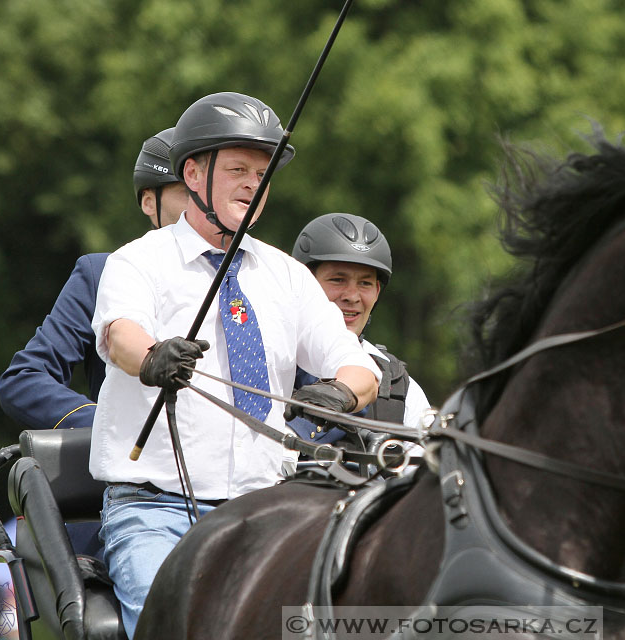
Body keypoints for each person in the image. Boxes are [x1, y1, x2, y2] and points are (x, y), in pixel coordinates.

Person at [89, 91, 380, 638]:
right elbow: (121, 335)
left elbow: (357, 364)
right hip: (157, 511)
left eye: (264, 174)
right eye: (239, 170)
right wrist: (154, 358)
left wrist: (342, 393)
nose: (254, 184)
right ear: (193, 174)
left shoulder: (288, 276)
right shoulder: (137, 261)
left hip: (267, 508)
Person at [0, 128, 186, 431]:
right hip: (139, 468)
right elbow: (26, 379)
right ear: (150, 203)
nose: (204, 207)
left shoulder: (266, 276)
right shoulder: (101, 272)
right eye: (188, 193)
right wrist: (109, 426)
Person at [289, 212, 431, 445]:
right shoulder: (268, 360)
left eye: (364, 283)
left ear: (377, 292)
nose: (352, 296)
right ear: (305, 284)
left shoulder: (399, 388)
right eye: (337, 280)